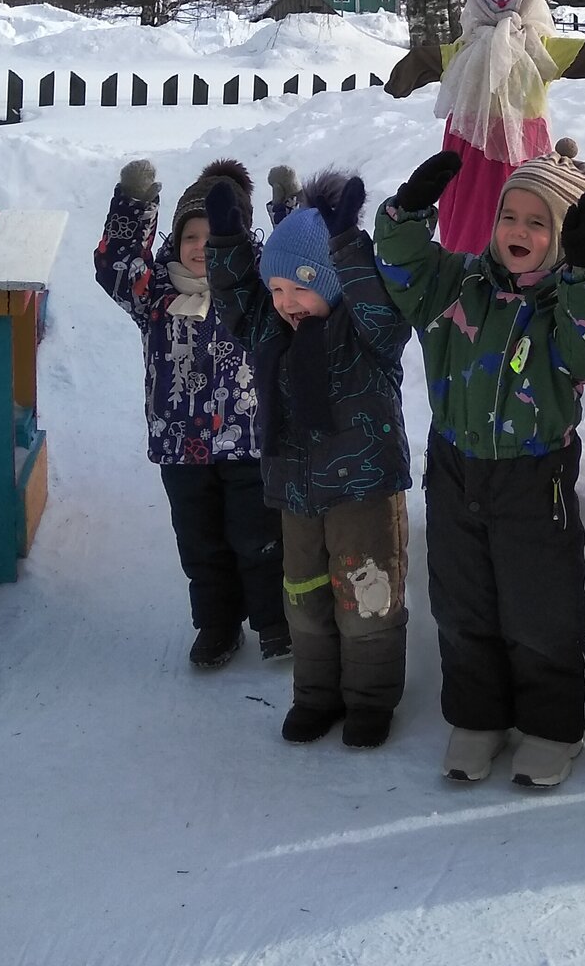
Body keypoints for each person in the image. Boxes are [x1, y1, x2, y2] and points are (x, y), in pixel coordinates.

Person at [372, 140, 585, 787]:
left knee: (539, 608)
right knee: (463, 603)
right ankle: (477, 718)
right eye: (509, 216)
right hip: (455, 466)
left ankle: (552, 727)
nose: (517, 230)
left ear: (563, 236)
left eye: (538, 221)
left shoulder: (563, 308)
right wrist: (408, 211)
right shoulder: (457, 283)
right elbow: (402, 267)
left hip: (532, 476)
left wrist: (584, 264)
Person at [200, 169, 414, 749]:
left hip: (364, 489)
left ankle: (370, 699)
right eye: (278, 290)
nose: (286, 302)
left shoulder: (368, 329)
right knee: (306, 597)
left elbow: (377, 302)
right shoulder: (271, 330)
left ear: (334, 281)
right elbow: (237, 298)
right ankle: (317, 695)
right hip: (295, 490)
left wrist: (347, 245)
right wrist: (224, 243)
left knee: (366, 594)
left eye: (300, 286)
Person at [93, 158, 289, 668]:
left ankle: (274, 621)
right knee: (201, 544)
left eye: (215, 234)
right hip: (181, 447)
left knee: (259, 537)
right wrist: (135, 205)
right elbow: (116, 265)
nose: (201, 246)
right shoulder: (156, 295)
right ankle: (217, 625)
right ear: (176, 243)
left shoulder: (260, 291)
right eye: (190, 236)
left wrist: (288, 207)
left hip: (249, 442)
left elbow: (301, 261)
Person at [383, 0, 585, 254]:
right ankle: (463, 261)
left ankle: (521, 265)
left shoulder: (534, 46)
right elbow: (444, 59)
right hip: (466, 144)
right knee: (467, 204)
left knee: (520, 204)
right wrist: (414, 66)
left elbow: (561, 55)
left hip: (520, 145)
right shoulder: (469, 45)